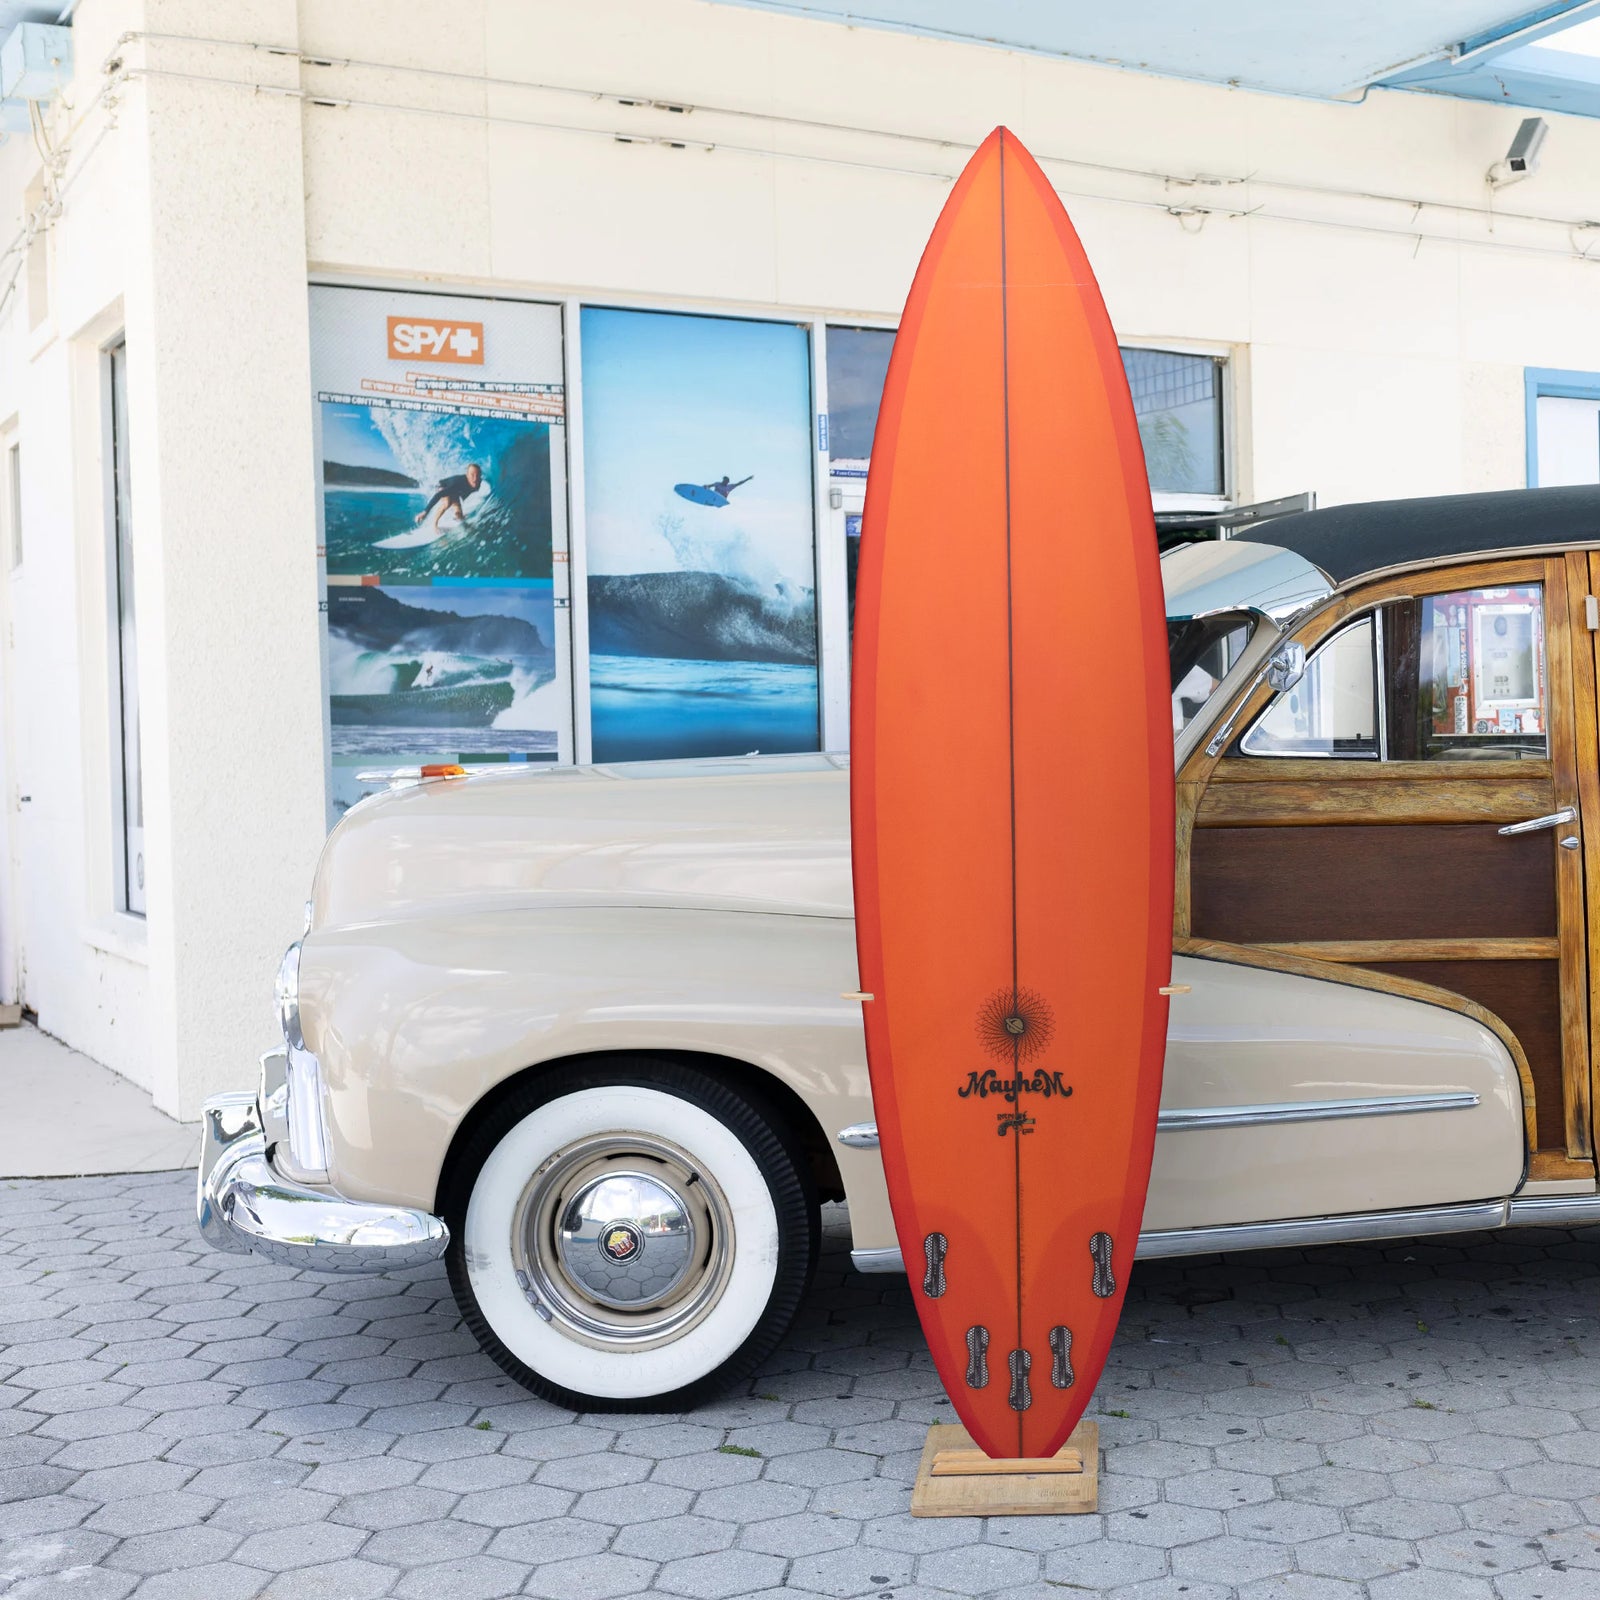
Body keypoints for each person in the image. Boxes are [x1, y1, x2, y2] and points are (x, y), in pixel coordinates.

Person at [415, 462, 486, 530]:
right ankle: (434, 525)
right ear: (467, 475)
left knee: (459, 516)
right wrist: (425, 512)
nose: (475, 478)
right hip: (443, 486)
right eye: (472, 475)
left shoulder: (478, 483)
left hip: (456, 491)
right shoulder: (457, 483)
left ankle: (458, 518)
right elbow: (438, 495)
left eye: (477, 475)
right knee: (447, 503)